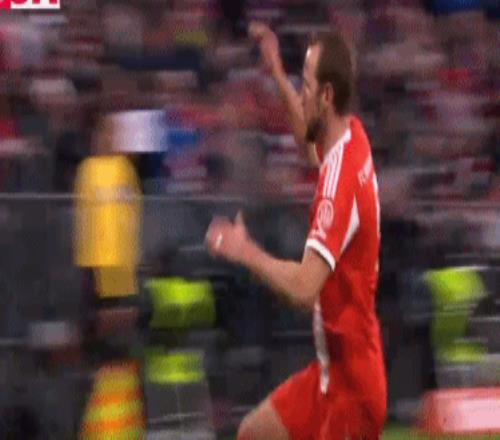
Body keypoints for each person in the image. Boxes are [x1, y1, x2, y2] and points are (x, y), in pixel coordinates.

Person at [206, 23, 386, 440]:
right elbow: (309, 140)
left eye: (306, 86)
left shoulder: (338, 185)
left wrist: (244, 251)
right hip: (332, 373)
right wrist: (275, 72)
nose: (301, 94)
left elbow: (305, 288)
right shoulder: (350, 136)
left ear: (327, 95)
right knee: (252, 433)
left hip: (351, 395)